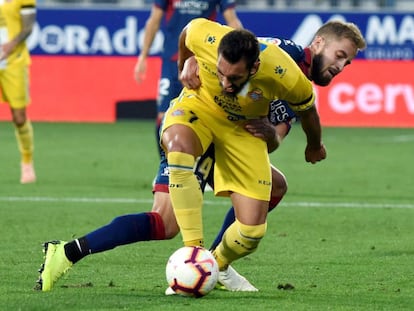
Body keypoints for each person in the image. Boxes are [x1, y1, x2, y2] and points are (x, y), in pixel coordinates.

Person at [36, 20, 366, 292]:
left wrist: (274, 136)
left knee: (273, 187)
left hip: (233, 138)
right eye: (340, 55)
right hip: (198, 122)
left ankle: (215, 264)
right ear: (319, 42)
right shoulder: (282, 58)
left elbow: (271, 139)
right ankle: (67, 253)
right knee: (165, 223)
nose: (341, 66)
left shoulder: (295, 84)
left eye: (347, 62)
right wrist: (188, 63)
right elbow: (218, 42)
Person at [161, 17, 326, 292]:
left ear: (255, 68)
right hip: (200, 109)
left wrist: (314, 145)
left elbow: (309, 111)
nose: (226, 82)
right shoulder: (206, 35)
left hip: (243, 130)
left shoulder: (283, 72)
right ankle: (193, 254)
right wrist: (184, 64)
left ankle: (215, 264)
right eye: (221, 73)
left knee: (251, 233)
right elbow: (186, 33)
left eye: (235, 77)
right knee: (177, 145)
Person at [133, 0, 242, 156]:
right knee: (163, 116)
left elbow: (232, 20)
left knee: (206, 115)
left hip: (202, 61)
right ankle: (167, 167)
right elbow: (154, 20)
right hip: (172, 61)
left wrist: (242, 53)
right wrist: (143, 56)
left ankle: (203, 167)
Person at [0, 0, 37, 183]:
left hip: (13, 61)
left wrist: (11, 44)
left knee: (19, 117)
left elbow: (28, 26)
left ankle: (27, 161)